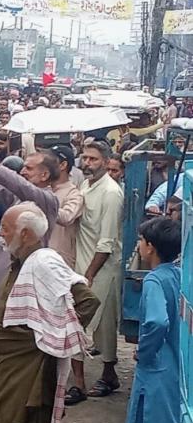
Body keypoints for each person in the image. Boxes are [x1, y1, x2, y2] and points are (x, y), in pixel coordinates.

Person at [0, 203, 100, 423]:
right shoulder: (22, 261)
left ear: (25, 234)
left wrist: (49, 344)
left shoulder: (43, 261)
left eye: (5, 228)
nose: (0, 235)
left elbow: (87, 301)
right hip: (12, 371)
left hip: (31, 374)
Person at [0, 146, 60, 388]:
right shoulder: (19, 199)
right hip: (0, 273)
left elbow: (15, 183)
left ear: (45, 175)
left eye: (29, 167)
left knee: (15, 339)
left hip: (23, 279)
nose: (23, 171)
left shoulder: (46, 200)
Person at [122, 217, 182, 423]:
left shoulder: (154, 281)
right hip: (173, 365)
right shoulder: (179, 276)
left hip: (155, 368)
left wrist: (144, 352)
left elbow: (156, 321)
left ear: (151, 247)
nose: (138, 245)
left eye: (141, 241)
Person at [70, 141, 124, 404]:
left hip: (102, 267)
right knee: (79, 321)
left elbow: (107, 241)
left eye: (93, 159)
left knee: (103, 324)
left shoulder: (111, 193)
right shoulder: (85, 185)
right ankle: (78, 381)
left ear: (105, 161)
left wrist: (90, 273)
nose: (88, 163)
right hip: (82, 265)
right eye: (85, 158)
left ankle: (109, 373)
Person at [50, 145, 84, 268]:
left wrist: (44, 203)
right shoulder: (45, 189)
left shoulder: (74, 193)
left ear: (63, 165)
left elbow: (67, 217)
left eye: (50, 162)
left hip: (60, 262)